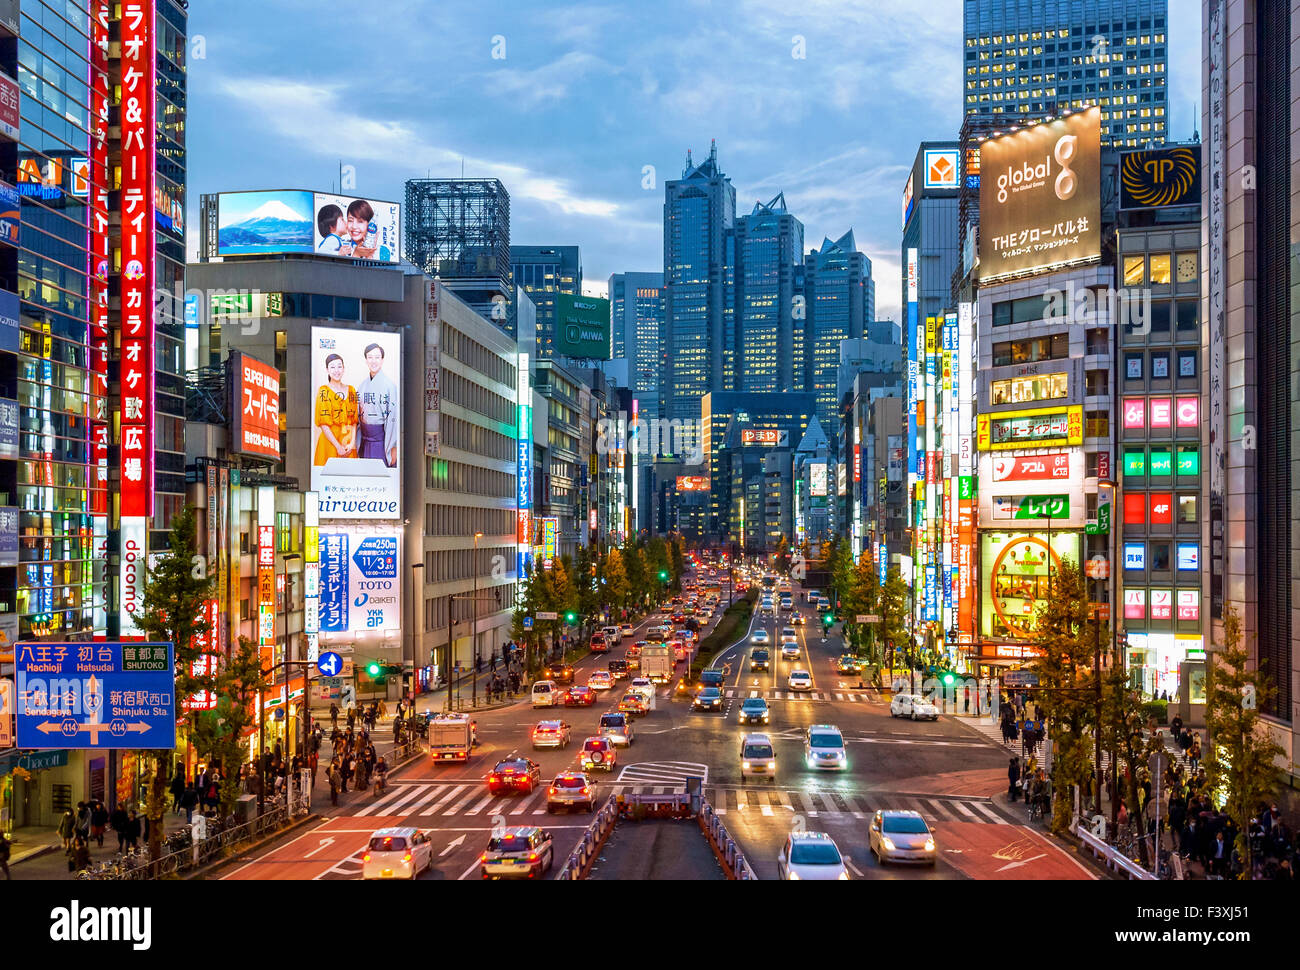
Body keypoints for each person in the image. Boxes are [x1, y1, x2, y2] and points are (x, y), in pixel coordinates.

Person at [355, 342, 399, 467]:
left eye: (377, 357)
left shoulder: (390, 386)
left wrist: (393, 447)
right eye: (370, 357)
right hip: (364, 441)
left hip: (382, 443)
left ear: (382, 360)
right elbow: (358, 418)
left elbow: (393, 420)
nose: (373, 361)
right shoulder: (362, 386)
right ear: (366, 360)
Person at [313, 353, 359, 466]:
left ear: (343, 369)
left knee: (349, 479)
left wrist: (352, 442)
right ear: (327, 370)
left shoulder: (351, 390)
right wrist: (338, 447)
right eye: (332, 367)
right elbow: (324, 424)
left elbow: (354, 421)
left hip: (347, 443)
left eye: (339, 366)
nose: (336, 370)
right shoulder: (323, 391)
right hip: (330, 443)